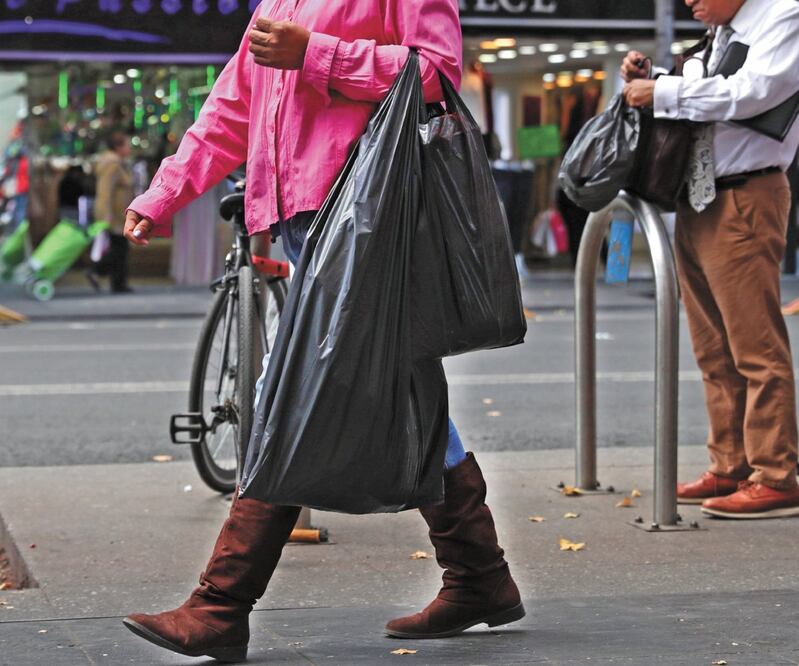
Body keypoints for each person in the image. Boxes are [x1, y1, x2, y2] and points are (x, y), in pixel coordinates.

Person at [120, 1, 525, 661]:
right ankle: (480, 576)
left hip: (368, 213)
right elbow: (231, 106)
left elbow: (435, 73)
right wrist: (163, 193)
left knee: (298, 393)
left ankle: (222, 603)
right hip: (306, 217)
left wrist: (316, 53)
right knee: (406, 385)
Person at [622, 0, 799, 518]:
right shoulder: (724, 30)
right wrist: (653, 77)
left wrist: (665, 90)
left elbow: (753, 92)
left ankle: (777, 473)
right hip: (698, 194)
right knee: (713, 348)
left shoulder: (783, 16)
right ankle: (732, 463)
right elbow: (715, 83)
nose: (688, 3)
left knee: (754, 346)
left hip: (745, 194)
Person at [92, 131, 134, 293]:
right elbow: (105, 191)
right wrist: (106, 215)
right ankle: (101, 272)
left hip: (117, 214)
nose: (129, 148)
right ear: (118, 147)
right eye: (126, 144)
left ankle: (116, 281)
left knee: (119, 248)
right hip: (114, 215)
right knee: (119, 249)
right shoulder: (112, 164)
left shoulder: (116, 163)